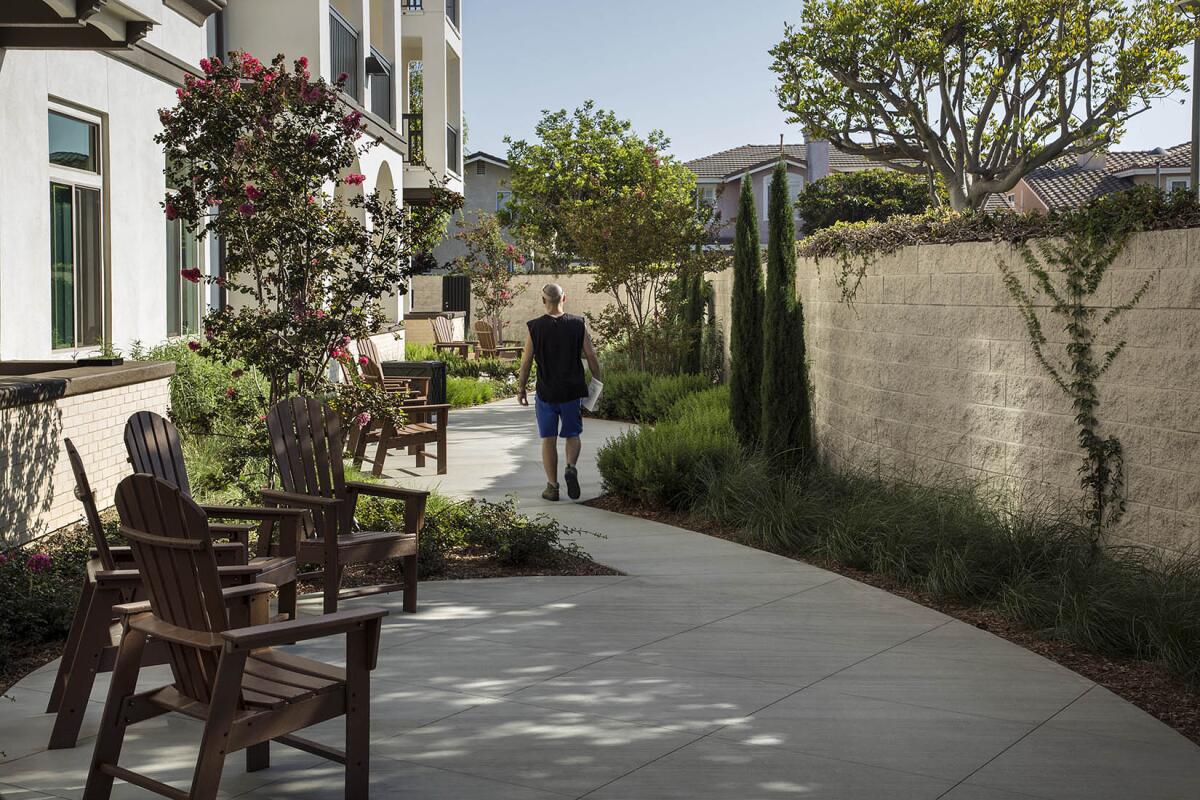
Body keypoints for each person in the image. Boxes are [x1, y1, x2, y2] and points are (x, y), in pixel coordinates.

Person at [517, 283, 601, 501]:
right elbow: (591, 356)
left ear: (543, 300)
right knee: (573, 434)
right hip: (572, 392)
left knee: (549, 439)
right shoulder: (577, 324)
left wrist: (521, 387)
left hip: (546, 392)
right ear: (564, 298)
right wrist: (597, 381)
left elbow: (526, 362)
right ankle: (570, 467)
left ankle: (552, 487)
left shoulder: (534, 327)